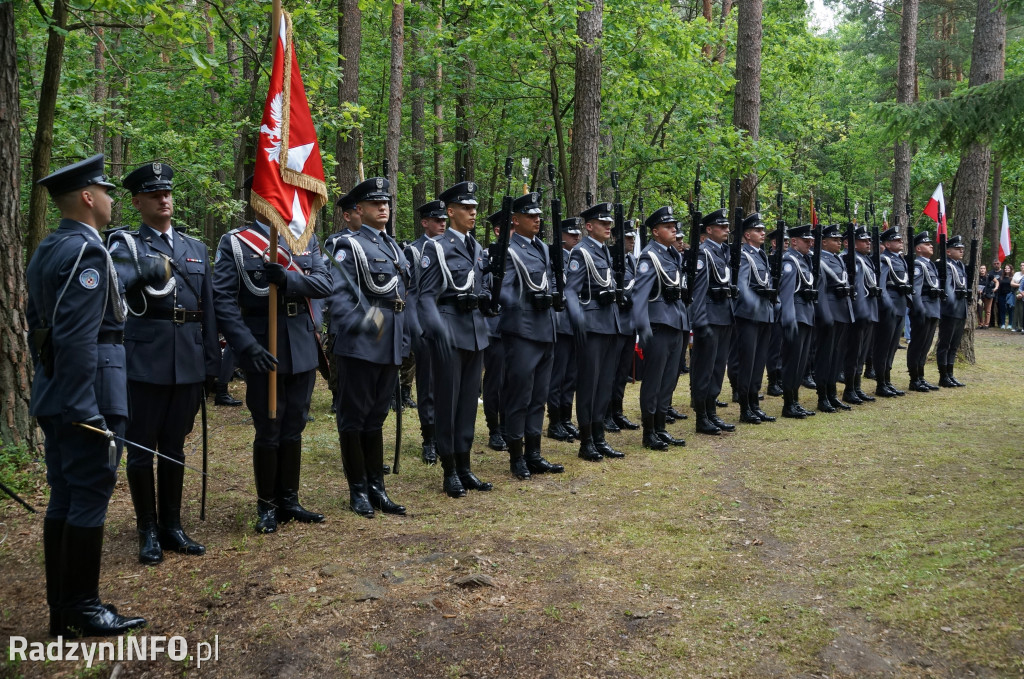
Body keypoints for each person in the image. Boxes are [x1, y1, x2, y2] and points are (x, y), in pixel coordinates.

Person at [28, 154, 149, 637]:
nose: (110, 199)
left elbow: (40, 329)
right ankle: (82, 607)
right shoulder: (88, 253)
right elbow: (77, 338)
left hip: (54, 387)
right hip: (89, 391)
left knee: (65, 493)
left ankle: (62, 609)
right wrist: (85, 410)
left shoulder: (49, 247)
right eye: (105, 191)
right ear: (86, 196)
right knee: (90, 495)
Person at [109, 162, 220, 565]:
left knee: (174, 446)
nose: (164, 199)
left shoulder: (195, 248)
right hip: (144, 358)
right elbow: (115, 289)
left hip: (187, 358)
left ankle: (172, 526)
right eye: (154, 195)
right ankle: (148, 530)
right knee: (141, 447)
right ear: (137, 202)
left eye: (167, 193)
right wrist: (142, 273)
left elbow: (208, 308)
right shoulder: (125, 245)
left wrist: (213, 362)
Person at [213, 178, 332, 532]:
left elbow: (325, 284)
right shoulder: (236, 243)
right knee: (269, 425)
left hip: (301, 342)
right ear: (256, 200)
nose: (281, 200)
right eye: (272, 193)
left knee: (295, 423)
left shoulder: (306, 239)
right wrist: (246, 346)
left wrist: (289, 279)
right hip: (262, 344)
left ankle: (289, 500)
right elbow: (223, 301)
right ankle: (266, 505)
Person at [326, 177, 409, 517]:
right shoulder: (347, 244)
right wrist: (365, 324)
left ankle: (378, 488)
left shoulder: (394, 247)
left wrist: (405, 336)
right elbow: (338, 296)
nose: (383, 207)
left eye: (386, 202)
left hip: (390, 341)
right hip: (361, 342)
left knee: (376, 416)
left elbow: (403, 296)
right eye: (375, 203)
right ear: (358, 209)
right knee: (354, 417)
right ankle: (358, 490)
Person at [418, 180, 495, 497]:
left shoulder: (476, 247)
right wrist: (438, 331)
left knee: (467, 405)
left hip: (475, 332)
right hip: (449, 331)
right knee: (447, 405)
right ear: (450, 212)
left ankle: (465, 467)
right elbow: (425, 297)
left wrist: (487, 298)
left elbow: (480, 286)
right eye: (466, 208)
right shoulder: (436, 247)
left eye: (474, 207)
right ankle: (449, 470)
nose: (473, 212)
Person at [498, 192, 565, 478]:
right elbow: (502, 291)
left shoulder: (543, 249)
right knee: (520, 397)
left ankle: (534, 454)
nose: (537, 220)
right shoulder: (508, 250)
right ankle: (516, 456)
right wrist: (529, 299)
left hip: (546, 329)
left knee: (539, 396)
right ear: (515, 220)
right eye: (530, 216)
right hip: (523, 331)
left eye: (538, 215)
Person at [564, 202, 627, 460]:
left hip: (610, 324)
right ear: (589, 227)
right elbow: (570, 292)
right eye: (603, 223)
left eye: (609, 223)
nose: (608, 226)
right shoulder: (581, 252)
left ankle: (599, 437)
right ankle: (586, 441)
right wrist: (578, 320)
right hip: (591, 326)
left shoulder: (603, 251)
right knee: (589, 385)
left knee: (605, 383)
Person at [631, 206, 689, 449]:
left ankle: (661, 427)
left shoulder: (673, 254)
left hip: (676, 324)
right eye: (667, 227)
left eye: (674, 226)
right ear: (655, 232)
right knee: (654, 381)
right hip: (658, 326)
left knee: (669, 380)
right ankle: (649, 432)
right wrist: (643, 328)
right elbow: (639, 297)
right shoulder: (649, 257)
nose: (674, 230)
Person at [404, 200, 448, 464]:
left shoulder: (452, 247)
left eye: (444, 220)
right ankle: (429, 438)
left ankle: (446, 435)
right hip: (426, 327)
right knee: (429, 384)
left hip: (452, 326)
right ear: (424, 222)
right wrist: (416, 328)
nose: (442, 224)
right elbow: (411, 294)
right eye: (437, 220)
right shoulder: (414, 251)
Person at [689, 208, 736, 435]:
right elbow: (698, 293)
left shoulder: (724, 252)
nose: (726, 230)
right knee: (704, 370)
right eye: (722, 226)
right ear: (709, 230)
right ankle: (702, 417)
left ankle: (712, 412)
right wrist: (700, 322)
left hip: (724, 316)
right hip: (709, 319)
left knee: (717, 369)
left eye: (727, 226)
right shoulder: (703, 253)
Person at [731, 212, 777, 424]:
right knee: (747, 362)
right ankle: (745, 408)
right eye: (758, 230)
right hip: (749, 316)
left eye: (763, 230)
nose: (762, 233)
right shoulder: (743, 255)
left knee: (759, 362)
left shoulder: (761, 255)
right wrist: (753, 302)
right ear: (747, 235)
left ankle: (755, 404)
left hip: (765, 313)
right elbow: (742, 285)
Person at [777, 223, 818, 418]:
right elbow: (786, 294)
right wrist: (789, 319)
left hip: (806, 315)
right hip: (796, 317)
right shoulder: (789, 261)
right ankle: (788, 403)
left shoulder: (804, 259)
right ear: (794, 241)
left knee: (801, 363)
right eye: (805, 240)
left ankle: (795, 401)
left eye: (810, 240)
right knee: (792, 363)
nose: (809, 243)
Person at [547, 218, 582, 443]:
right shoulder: (554, 259)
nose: (576, 237)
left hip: (576, 324)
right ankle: (555, 421)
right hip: (561, 323)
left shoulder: (578, 258)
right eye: (571, 234)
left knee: (571, 376)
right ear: (561, 237)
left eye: (578, 233)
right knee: (557, 376)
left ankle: (566, 418)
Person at [606, 224, 640, 433]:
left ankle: (617, 411)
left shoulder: (632, 260)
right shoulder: (610, 258)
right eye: (627, 237)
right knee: (611, 371)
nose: (632, 240)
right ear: (616, 237)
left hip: (630, 322)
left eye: (632, 237)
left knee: (622, 372)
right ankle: (605, 414)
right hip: (616, 322)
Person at [481, 215, 508, 453]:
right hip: (496, 327)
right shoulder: (487, 256)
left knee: (515, 381)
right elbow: (483, 289)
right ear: (498, 231)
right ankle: (495, 429)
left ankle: (510, 426)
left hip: (520, 327)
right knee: (495, 381)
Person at [842, 226, 879, 404]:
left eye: (868, 240)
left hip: (869, 311)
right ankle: (849, 389)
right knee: (853, 352)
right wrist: (862, 312)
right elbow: (856, 287)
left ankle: (857, 387)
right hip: (859, 313)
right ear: (853, 243)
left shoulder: (866, 259)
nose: (868, 243)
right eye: (863, 240)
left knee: (862, 352)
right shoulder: (852, 260)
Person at [873, 225, 910, 397]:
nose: (901, 242)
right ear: (887, 244)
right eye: (897, 240)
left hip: (900, 306)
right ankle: (881, 383)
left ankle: (887, 381)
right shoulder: (884, 260)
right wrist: (888, 307)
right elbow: (881, 286)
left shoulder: (900, 259)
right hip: (889, 309)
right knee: (884, 346)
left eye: (901, 240)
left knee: (893, 346)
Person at [907, 231, 942, 391]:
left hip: (933, 308)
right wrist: (919, 310)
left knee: (926, 346)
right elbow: (916, 290)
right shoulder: (918, 265)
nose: (931, 246)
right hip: (923, 309)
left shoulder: (930, 264)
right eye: (927, 244)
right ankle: (914, 379)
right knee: (918, 345)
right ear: (918, 248)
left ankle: (921, 377)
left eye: (930, 243)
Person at [937, 235, 969, 387]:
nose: (961, 251)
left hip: (961, 309)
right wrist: (952, 303)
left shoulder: (960, 265)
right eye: (957, 249)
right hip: (950, 310)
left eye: (962, 248)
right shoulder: (946, 265)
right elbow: (947, 286)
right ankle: (943, 376)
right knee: (945, 344)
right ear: (948, 252)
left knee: (954, 345)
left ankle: (950, 374)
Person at [996, 263, 1013, 329]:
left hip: (1010, 296)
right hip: (1001, 295)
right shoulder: (1001, 278)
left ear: (1011, 269)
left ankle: (1010, 324)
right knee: (1002, 309)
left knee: (1010, 310)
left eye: (1008, 268)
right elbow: (998, 286)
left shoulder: (1013, 278)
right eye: (1005, 268)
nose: (1006, 269)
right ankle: (1003, 324)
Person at [1011, 262, 1024, 332]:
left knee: (1022, 310)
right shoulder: (1017, 274)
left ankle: (1021, 327)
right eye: (1021, 265)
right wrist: (1020, 285)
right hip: (1017, 291)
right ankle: (1014, 326)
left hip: (1022, 292)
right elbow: (1011, 283)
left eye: (1023, 265)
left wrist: (1022, 293)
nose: (1022, 266)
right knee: (1016, 309)